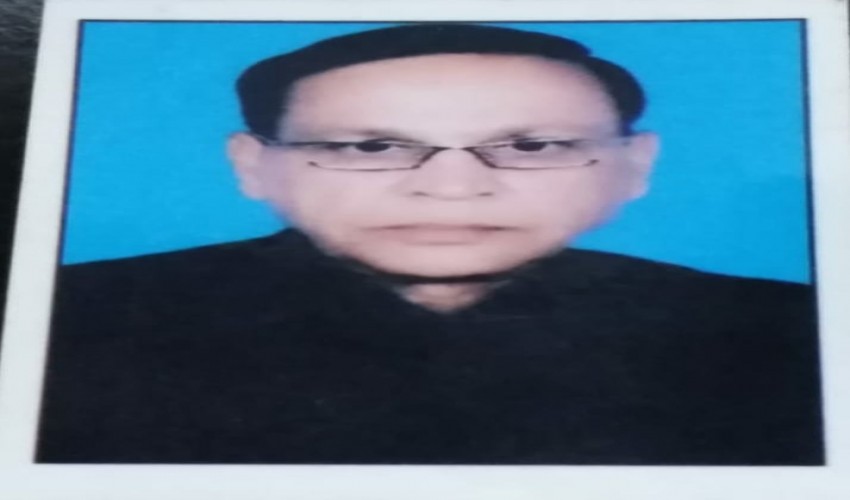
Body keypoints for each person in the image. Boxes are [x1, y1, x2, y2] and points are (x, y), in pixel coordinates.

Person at [37, 23, 823, 465]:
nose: (452, 189)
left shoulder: (791, 333)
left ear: (635, 167)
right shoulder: (65, 324)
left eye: (533, 147)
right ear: (253, 166)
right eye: (370, 147)